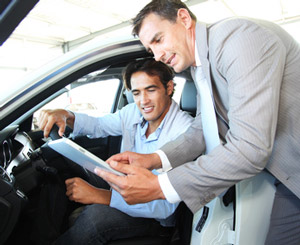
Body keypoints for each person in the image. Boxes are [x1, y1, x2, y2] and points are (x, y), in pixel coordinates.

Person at [95, 0, 300, 244]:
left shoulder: (238, 40)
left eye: (158, 39)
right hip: (287, 175)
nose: (157, 56)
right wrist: (152, 159)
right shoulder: (200, 66)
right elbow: (202, 128)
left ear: (184, 18)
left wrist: (162, 186)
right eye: (151, 50)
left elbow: (250, 147)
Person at [38, 58, 194, 244]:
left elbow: (164, 206)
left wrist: (100, 196)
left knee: (95, 218)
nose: (143, 101)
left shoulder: (185, 131)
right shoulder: (133, 112)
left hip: (153, 216)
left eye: (151, 90)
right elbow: (98, 125)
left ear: (168, 88)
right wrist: (66, 115)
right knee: (67, 164)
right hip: (121, 185)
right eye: (136, 93)